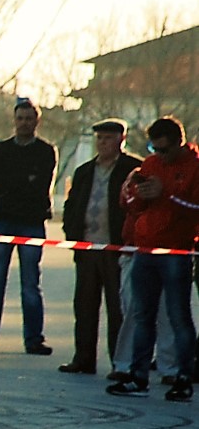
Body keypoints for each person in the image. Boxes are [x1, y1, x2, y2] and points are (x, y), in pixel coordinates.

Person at [108, 117, 196, 401]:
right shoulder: (150, 165)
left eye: (164, 150)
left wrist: (166, 195)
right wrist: (136, 195)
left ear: (179, 144)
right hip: (145, 249)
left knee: (178, 316)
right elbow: (132, 207)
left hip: (176, 251)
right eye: (154, 149)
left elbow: (195, 208)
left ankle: (183, 376)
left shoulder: (194, 167)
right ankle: (138, 376)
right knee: (141, 315)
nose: (159, 155)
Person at [60, 119, 142, 375]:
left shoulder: (133, 169)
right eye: (99, 138)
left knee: (118, 308)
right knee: (84, 305)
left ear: (121, 140)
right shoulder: (85, 171)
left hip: (117, 248)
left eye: (108, 138)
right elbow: (72, 206)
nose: (103, 143)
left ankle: (120, 361)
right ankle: (83, 358)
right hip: (87, 247)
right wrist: (72, 234)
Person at [0, 97, 58, 354]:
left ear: (37, 121)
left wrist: (17, 188)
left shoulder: (46, 151)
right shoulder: (0, 151)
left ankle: (34, 338)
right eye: (20, 118)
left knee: (30, 284)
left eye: (29, 118)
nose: (24, 123)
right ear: (14, 120)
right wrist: (17, 187)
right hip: (2, 221)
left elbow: (39, 186)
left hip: (32, 223)